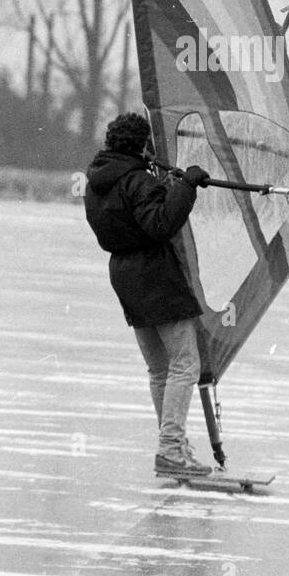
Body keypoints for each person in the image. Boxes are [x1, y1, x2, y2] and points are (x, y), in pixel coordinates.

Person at [84, 112, 212, 477]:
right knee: (186, 364)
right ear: (143, 145)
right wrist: (185, 187)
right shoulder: (138, 180)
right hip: (155, 275)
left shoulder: (97, 182)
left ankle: (171, 446)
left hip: (124, 275)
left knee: (160, 369)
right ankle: (172, 448)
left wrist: (170, 185)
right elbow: (160, 224)